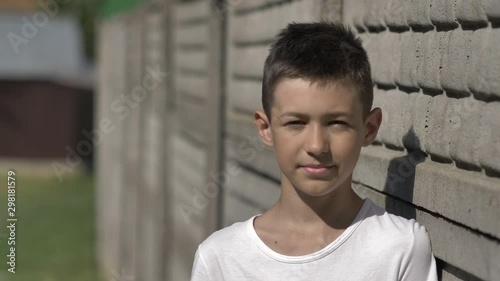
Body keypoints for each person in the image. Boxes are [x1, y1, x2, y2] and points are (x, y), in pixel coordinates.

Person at [190, 21, 438, 280]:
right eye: (296, 123)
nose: (317, 145)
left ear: (369, 128)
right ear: (266, 128)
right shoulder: (220, 259)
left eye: (337, 123)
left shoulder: (400, 247)